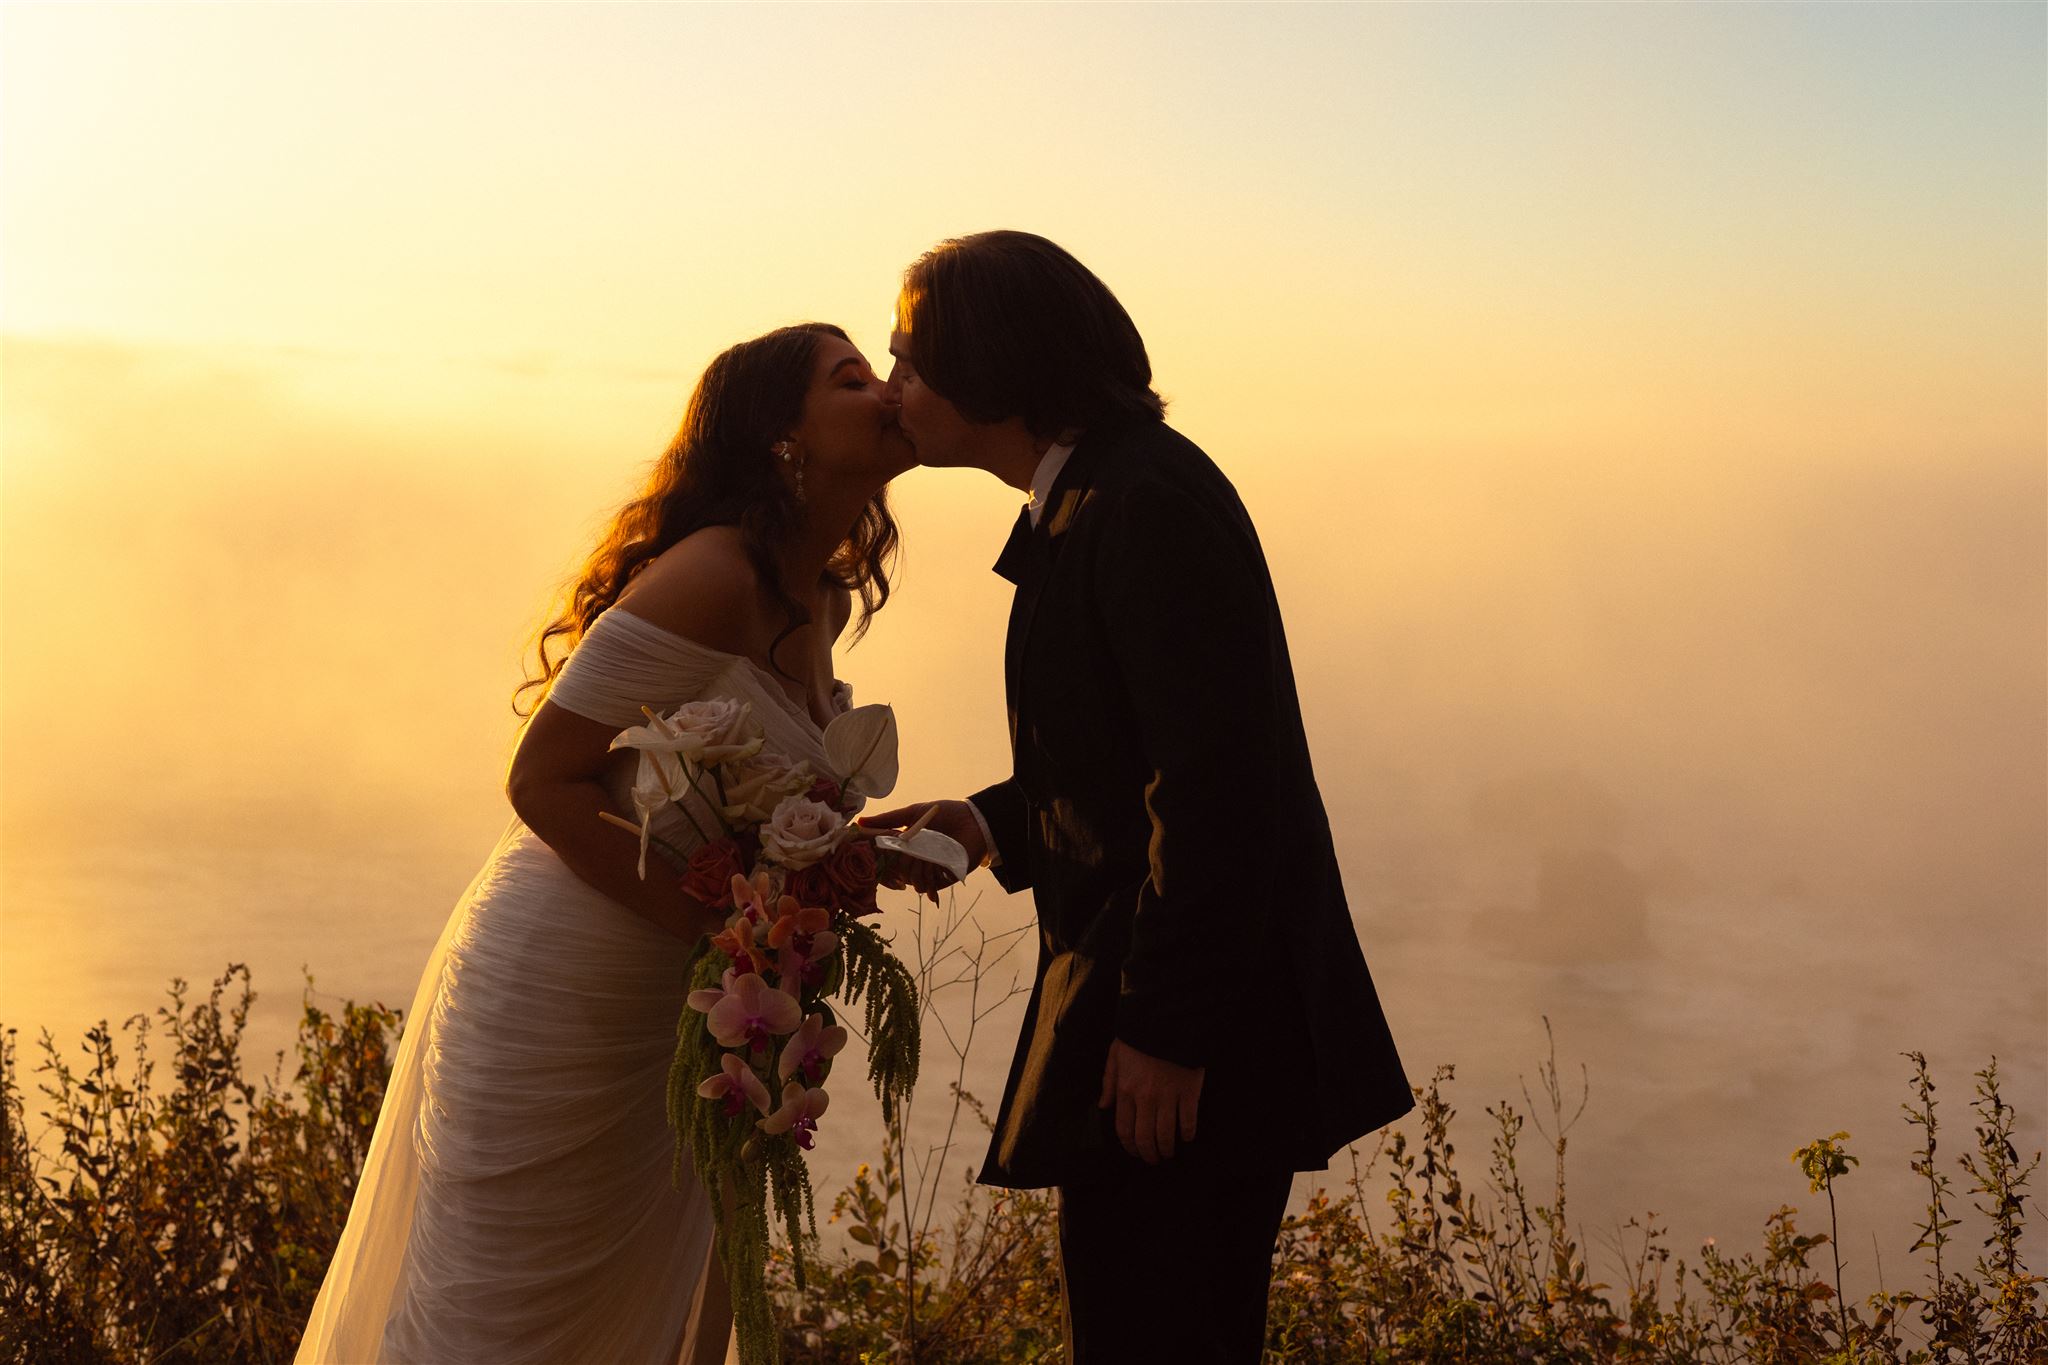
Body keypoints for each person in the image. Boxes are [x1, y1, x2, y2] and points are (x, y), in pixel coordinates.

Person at [294, 323, 913, 1365]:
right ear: (778, 438)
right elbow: (540, 780)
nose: (883, 391)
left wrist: (834, 862)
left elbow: (747, 807)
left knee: (633, 1319)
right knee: (505, 1317)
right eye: (849, 379)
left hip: (675, 1000)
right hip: (565, 981)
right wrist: (728, 934)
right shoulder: (712, 573)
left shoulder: (823, 593)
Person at [864, 231, 1414, 1363]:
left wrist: (1166, 1029)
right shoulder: (1106, 491)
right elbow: (1129, 763)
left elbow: (1218, 788)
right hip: (1165, 1022)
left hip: (1183, 1048)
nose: (891, 389)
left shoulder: (1141, 502)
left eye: (907, 359)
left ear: (991, 362)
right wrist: (983, 822)